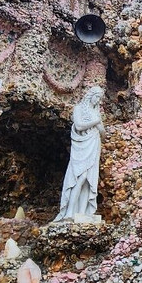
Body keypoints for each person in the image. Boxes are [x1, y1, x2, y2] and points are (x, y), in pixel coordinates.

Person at [55, 86, 105, 220]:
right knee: (80, 176)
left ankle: (82, 213)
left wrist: (99, 124)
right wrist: (95, 121)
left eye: (100, 98)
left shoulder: (96, 112)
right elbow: (78, 126)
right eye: (97, 97)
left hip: (94, 143)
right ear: (91, 95)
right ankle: (70, 211)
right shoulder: (78, 109)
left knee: (89, 180)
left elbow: (103, 132)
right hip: (82, 144)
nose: (97, 100)